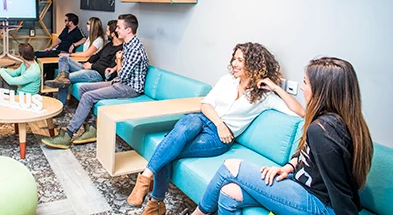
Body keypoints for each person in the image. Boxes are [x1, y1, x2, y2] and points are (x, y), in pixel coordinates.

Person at [130, 42, 305, 215]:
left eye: (240, 60)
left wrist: (275, 87)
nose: (234, 64)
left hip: (219, 138)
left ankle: (155, 201)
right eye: (234, 59)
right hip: (203, 120)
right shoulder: (227, 80)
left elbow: (300, 112)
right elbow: (205, 104)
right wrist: (220, 124)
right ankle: (146, 180)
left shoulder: (264, 96)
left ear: (253, 64)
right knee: (188, 123)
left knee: (170, 146)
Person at [190, 57, 374, 215]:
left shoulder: (323, 130)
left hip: (318, 204)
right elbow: (309, 156)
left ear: (321, 91)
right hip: (302, 186)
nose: (302, 88)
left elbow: (340, 189)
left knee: (231, 166)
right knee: (229, 192)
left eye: (305, 83)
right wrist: (289, 166)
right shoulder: (335, 121)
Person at [41, 14, 148, 148]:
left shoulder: (135, 49)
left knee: (88, 96)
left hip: (129, 88)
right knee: (83, 88)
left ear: (128, 30)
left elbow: (123, 75)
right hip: (119, 82)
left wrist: (118, 60)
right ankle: (91, 127)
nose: (117, 30)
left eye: (119, 27)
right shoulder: (128, 45)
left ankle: (68, 133)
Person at [46, 19, 123, 105]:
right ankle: (62, 75)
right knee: (63, 59)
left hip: (97, 74)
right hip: (89, 68)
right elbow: (96, 55)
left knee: (65, 78)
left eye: (108, 30)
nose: (106, 32)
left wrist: (92, 66)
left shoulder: (120, 50)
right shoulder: (109, 44)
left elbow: (108, 72)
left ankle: (60, 104)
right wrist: (87, 63)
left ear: (113, 34)